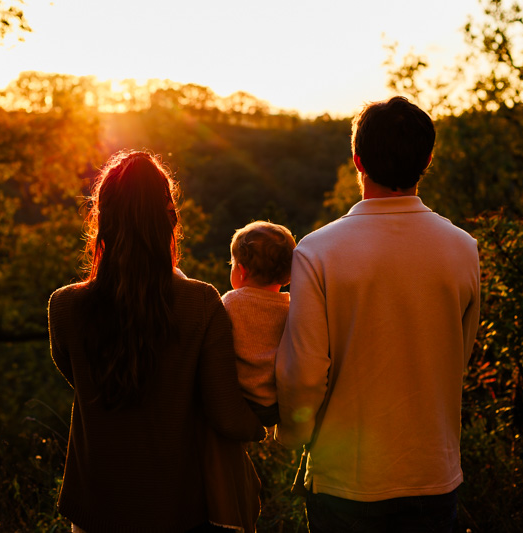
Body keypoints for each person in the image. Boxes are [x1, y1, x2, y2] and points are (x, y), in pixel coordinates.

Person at [275, 96, 481, 532]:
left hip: (345, 480)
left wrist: (293, 438)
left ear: (357, 160)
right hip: (433, 474)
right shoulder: (463, 248)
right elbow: (458, 356)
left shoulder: (317, 250)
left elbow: (305, 374)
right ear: (428, 159)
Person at [48, 150, 266, 533]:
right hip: (176, 510)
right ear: (169, 220)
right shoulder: (200, 303)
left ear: (103, 221)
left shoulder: (65, 307)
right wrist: (263, 423)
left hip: (96, 510)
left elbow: (81, 382)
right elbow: (226, 415)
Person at [223, 220, 296, 427]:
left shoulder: (231, 302)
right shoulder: (292, 306)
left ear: (242, 271)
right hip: (276, 404)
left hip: (243, 400)